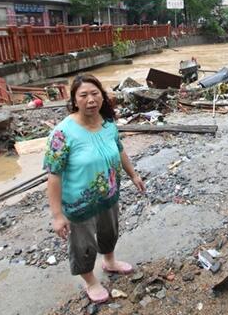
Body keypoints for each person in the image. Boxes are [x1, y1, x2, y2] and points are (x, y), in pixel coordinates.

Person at [44, 74, 146, 303]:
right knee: (83, 245)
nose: (90, 100)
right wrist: (57, 215)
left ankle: (109, 262)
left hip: (109, 195)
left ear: (102, 95)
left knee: (109, 231)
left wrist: (134, 175)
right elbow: (53, 176)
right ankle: (90, 281)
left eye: (94, 93)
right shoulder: (62, 133)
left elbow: (119, 151)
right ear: (74, 100)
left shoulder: (107, 123)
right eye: (83, 95)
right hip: (79, 202)